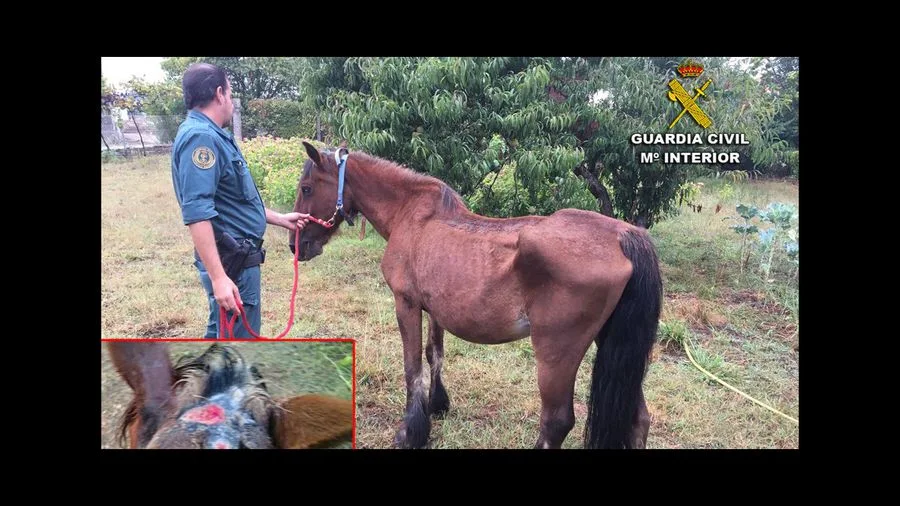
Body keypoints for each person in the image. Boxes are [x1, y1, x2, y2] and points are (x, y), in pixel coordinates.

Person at [171, 62, 309, 338]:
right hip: (232, 262)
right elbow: (197, 212)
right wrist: (220, 277)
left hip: (234, 258)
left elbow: (234, 200)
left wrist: (279, 219)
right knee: (240, 343)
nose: (232, 99)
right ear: (220, 93)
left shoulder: (212, 135)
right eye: (231, 91)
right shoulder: (202, 138)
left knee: (222, 333)